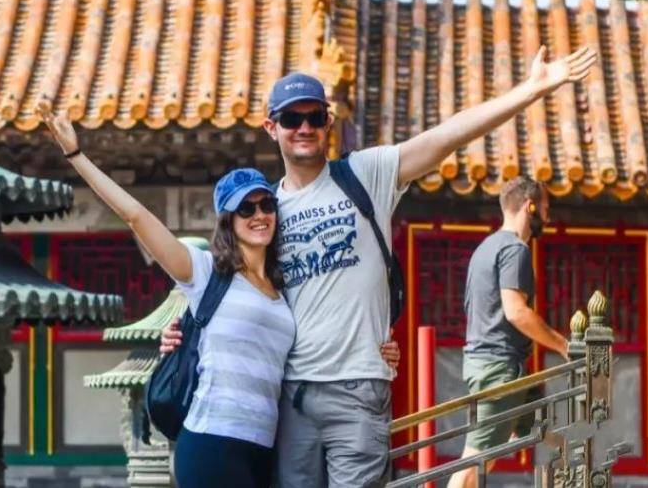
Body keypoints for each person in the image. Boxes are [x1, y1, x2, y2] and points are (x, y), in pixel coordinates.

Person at [162, 44, 596, 487]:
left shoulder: (364, 174)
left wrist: (530, 90)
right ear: (272, 127)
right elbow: (232, 288)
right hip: (291, 399)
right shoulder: (264, 212)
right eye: (292, 119)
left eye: (315, 116)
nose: (305, 127)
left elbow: (446, 137)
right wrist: (185, 332)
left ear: (329, 121)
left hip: (359, 388)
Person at [38, 102, 397, 488]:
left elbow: (332, 308)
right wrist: (76, 155)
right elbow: (136, 216)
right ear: (228, 220)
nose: (259, 215)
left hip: (263, 449)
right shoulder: (207, 272)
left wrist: (378, 344)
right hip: (212, 441)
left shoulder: (284, 287)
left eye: (266, 204)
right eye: (245, 209)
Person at [447, 177, 567, 488]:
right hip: (499, 371)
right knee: (473, 464)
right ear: (530, 207)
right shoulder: (515, 250)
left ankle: (576, 469)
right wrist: (563, 345)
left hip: (490, 365)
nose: (548, 217)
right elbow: (515, 312)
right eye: (545, 209)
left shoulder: (485, 248)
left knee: (540, 426)